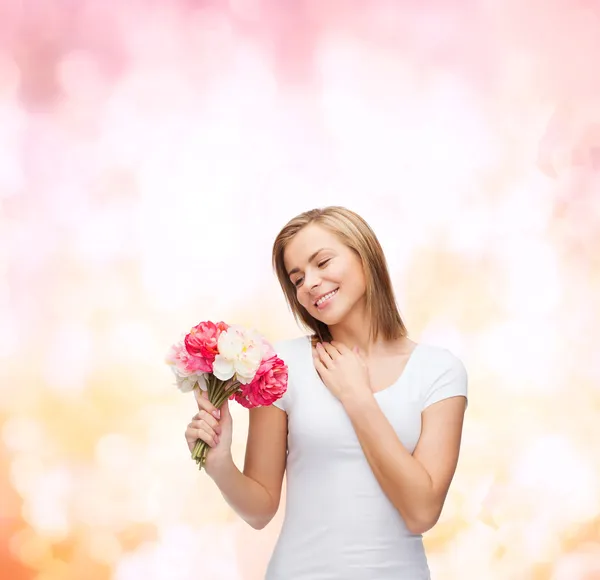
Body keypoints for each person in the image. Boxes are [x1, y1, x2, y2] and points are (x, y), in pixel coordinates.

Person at [185, 206, 468, 580]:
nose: (310, 284)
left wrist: (358, 398)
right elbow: (260, 510)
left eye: (322, 262)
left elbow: (421, 512)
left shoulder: (438, 371)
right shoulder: (280, 366)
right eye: (297, 278)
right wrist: (220, 464)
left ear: (365, 254)